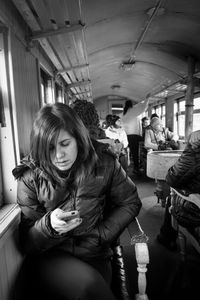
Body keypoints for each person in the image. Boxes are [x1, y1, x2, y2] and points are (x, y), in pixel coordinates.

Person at [13, 103, 142, 300]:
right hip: (52, 256)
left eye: (65, 144)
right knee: (88, 289)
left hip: (94, 254)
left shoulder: (104, 162)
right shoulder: (30, 176)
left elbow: (130, 201)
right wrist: (49, 226)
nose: (58, 155)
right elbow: (28, 244)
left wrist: (100, 235)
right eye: (49, 148)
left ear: (78, 139)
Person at [157, 130, 200, 250]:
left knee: (172, 196)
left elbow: (172, 179)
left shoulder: (195, 151)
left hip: (196, 210)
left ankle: (166, 238)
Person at [121, 97, 149, 176]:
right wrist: (147, 98)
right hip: (134, 136)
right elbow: (143, 108)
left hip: (125, 136)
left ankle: (124, 169)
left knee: (125, 153)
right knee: (135, 153)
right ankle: (136, 168)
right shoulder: (133, 111)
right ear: (131, 105)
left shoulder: (123, 114)